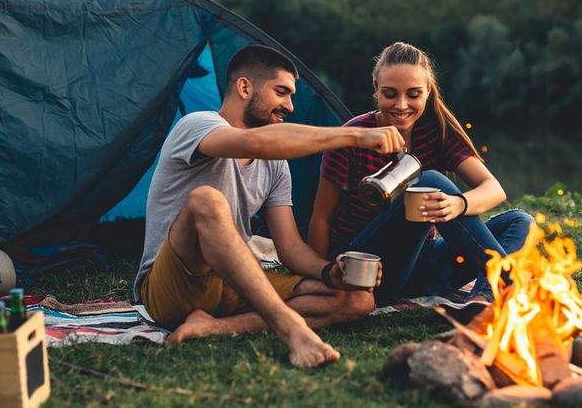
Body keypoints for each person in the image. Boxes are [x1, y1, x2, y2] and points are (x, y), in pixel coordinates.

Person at [132, 45, 405, 368]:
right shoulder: (196, 125)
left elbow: (289, 247)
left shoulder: (276, 167)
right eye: (281, 92)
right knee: (206, 200)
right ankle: (291, 329)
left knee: (357, 300)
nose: (289, 105)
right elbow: (253, 143)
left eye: (291, 95)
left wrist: (329, 271)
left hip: (231, 284)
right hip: (172, 287)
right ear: (245, 87)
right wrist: (356, 136)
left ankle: (213, 327)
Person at [309, 42, 536, 307]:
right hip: (369, 271)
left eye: (413, 94)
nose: (401, 105)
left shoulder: (436, 131)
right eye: (390, 94)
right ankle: (508, 283)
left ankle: (483, 298)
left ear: (428, 91)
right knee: (429, 181)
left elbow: (494, 189)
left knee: (520, 221)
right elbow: (320, 219)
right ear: (375, 89)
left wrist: (458, 204)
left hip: (422, 264)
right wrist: (323, 275)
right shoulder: (354, 136)